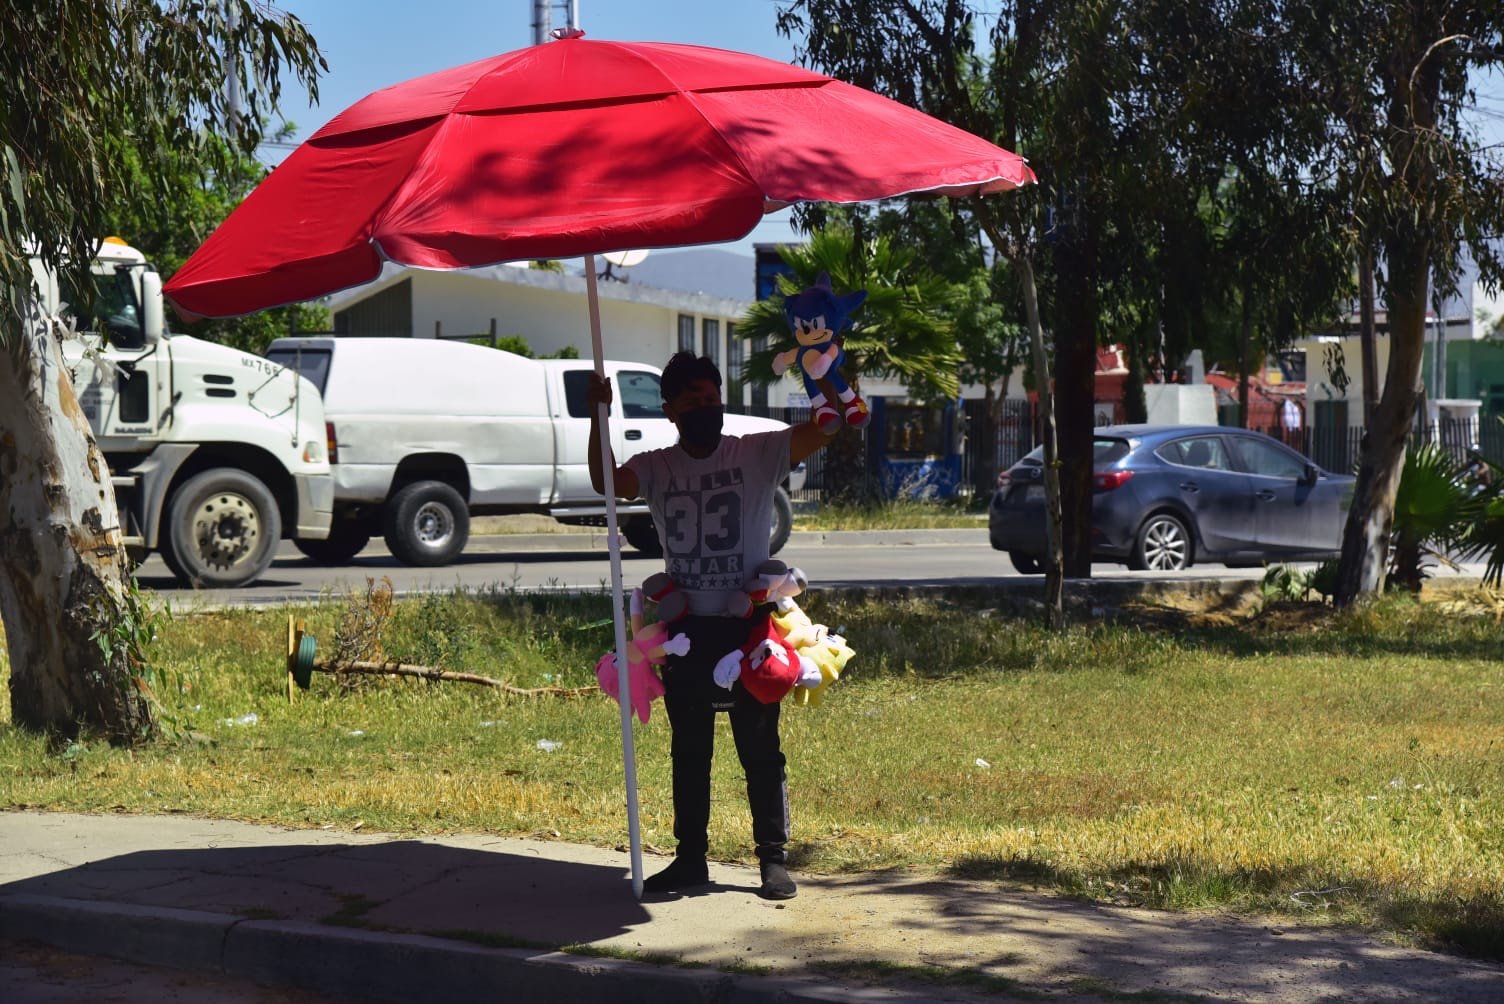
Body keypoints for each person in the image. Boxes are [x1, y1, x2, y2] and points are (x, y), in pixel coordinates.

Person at [587, 351, 836, 900]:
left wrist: (826, 374)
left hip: (748, 626)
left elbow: (826, 427)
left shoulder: (757, 452)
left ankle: (773, 861)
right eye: (695, 400)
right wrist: (598, 415)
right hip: (685, 630)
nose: (708, 408)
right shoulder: (657, 466)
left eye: (713, 397)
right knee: (689, 749)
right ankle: (690, 860)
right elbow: (608, 481)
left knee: (760, 748)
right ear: (671, 409)